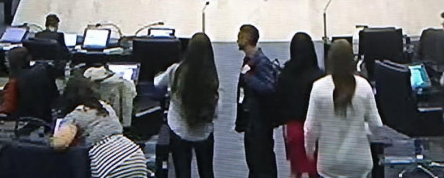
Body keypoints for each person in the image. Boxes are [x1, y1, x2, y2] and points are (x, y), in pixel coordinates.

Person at [304, 39, 382, 178]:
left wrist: (310, 151)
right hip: (359, 162)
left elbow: (310, 129)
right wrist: (363, 131)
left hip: (329, 163)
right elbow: (376, 125)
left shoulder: (319, 88)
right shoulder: (364, 86)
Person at [52, 75, 147, 178]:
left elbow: (60, 144)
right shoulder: (105, 107)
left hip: (109, 163)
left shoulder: (76, 115)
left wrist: (51, 139)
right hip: (135, 155)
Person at [154, 33, 219, 178]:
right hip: (203, 133)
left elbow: (157, 83)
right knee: (206, 171)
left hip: (179, 131)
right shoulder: (211, 77)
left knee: (182, 172)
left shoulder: (175, 71)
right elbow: (216, 112)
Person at [276, 33, 323, 178]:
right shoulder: (319, 76)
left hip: (293, 128)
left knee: (295, 169)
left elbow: (279, 100)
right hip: (315, 129)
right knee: (315, 170)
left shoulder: (285, 73)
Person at [235, 24, 279, 178]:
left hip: (260, 122)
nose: (237, 39)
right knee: (253, 163)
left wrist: (249, 79)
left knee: (262, 163)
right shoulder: (249, 61)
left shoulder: (261, 63)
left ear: (247, 39)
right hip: (251, 121)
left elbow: (269, 88)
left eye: (240, 35)